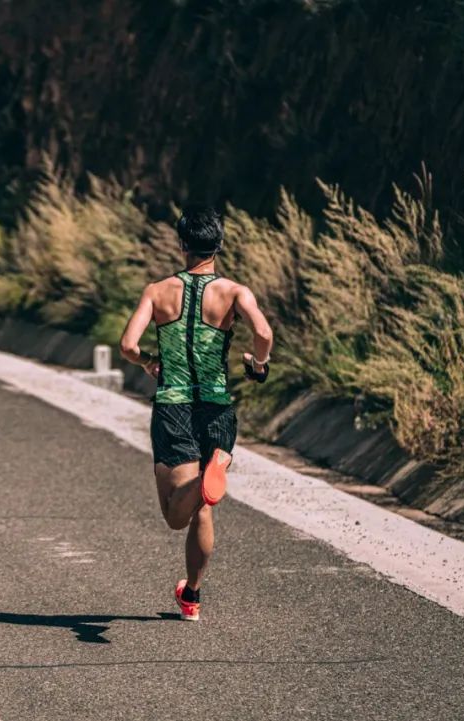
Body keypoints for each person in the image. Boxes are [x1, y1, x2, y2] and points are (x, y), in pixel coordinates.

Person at [119, 206, 273, 622]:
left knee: (175, 515)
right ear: (219, 244)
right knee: (203, 509)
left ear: (182, 244)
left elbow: (128, 346)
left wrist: (148, 361)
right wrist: (259, 366)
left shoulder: (157, 291)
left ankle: (206, 480)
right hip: (217, 408)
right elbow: (263, 333)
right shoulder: (236, 293)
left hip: (175, 407)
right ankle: (191, 596)